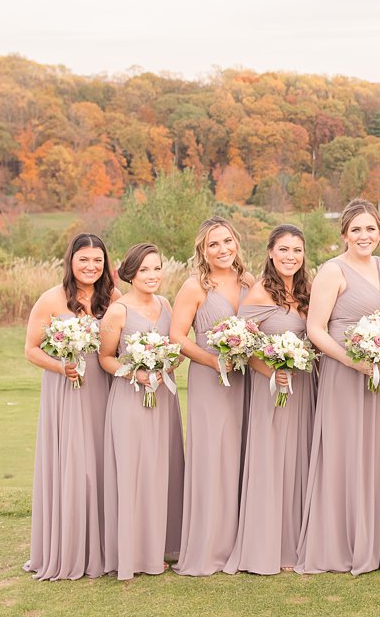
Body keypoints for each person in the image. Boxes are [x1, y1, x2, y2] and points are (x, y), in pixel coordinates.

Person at [296, 200, 380, 575]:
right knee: (343, 451)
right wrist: (351, 360)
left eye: (370, 229)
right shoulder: (331, 271)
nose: (364, 236)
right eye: (356, 230)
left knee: (373, 451)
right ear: (344, 235)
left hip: (378, 373)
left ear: (379, 233)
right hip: (344, 372)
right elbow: (315, 329)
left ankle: (372, 538)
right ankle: (338, 542)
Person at [22, 232, 117, 581]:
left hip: (106, 390)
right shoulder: (50, 300)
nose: (91, 266)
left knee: (104, 462)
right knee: (76, 466)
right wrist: (62, 366)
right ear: (71, 261)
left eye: (97, 260)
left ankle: (107, 547)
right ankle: (72, 546)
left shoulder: (114, 299)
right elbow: (31, 350)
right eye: (84, 260)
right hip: (68, 391)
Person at [224, 225, 317, 575]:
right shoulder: (259, 293)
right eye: (283, 250)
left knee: (300, 460)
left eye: (297, 250)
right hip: (272, 390)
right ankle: (265, 546)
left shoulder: (309, 291)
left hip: (305, 387)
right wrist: (271, 373)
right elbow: (243, 348)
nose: (290, 256)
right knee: (271, 460)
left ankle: (297, 542)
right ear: (270, 253)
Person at [170, 217, 254, 576]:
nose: (222, 250)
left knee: (242, 453)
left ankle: (243, 541)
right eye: (213, 245)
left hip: (247, 380)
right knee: (212, 456)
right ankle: (209, 546)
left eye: (227, 241)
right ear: (203, 251)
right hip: (210, 380)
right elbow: (177, 336)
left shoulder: (250, 282)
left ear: (236, 242)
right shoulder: (195, 286)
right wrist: (213, 361)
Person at [100, 244, 186, 580]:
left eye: (157, 268)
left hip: (163, 397)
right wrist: (136, 373)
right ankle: (134, 554)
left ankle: (162, 546)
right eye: (145, 270)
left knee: (162, 469)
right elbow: (106, 357)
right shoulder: (117, 311)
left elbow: (177, 349)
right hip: (130, 399)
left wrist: (167, 363)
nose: (152, 276)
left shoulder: (166, 304)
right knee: (136, 471)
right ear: (131, 273)